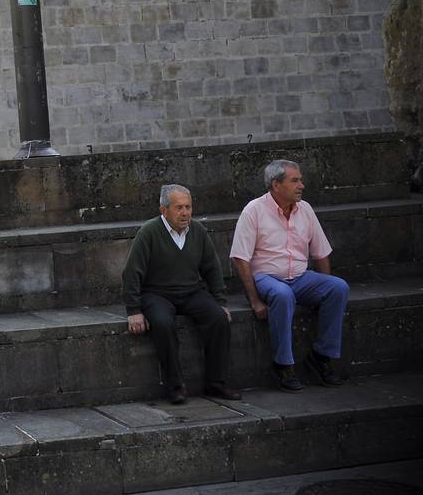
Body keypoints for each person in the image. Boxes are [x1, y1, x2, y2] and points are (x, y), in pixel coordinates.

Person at [230, 159, 350, 391]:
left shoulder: (305, 209)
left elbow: (321, 252)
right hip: (266, 277)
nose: (301, 185)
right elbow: (240, 257)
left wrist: (323, 289)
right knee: (283, 295)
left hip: (301, 276)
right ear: (276, 184)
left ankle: (321, 357)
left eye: (301, 180)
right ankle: (283, 365)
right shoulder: (253, 210)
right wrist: (255, 301)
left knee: (338, 287)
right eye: (295, 181)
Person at [122, 184, 241, 404]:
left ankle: (217, 382)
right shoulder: (148, 232)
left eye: (188, 207)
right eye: (179, 208)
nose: (185, 213)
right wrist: (134, 310)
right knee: (162, 323)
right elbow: (132, 272)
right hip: (157, 294)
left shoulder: (197, 231)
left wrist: (220, 302)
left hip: (191, 291)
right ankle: (176, 386)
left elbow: (212, 269)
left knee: (218, 319)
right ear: (163, 210)